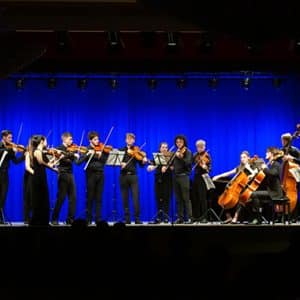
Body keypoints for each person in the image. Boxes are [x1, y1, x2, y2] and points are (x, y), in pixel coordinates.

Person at [212, 151, 255, 223]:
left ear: (248, 158)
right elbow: (229, 173)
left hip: (245, 189)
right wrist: (218, 176)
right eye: (241, 157)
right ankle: (229, 217)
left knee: (241, 198)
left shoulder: (251, 167)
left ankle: (236, 217)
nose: (242, 159)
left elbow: (254, 174)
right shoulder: (239, 167)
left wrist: (248, 168)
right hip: (236, 188)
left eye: (244, 157)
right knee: (225, 198)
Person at [77, 131, 109, 225]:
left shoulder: (102, 149)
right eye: (95, 139)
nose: (97, 141)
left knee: (99, 198)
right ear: (90, 140)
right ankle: (88, 219)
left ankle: (98, 219)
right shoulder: (86, 149)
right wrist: (88, 154)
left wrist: (101, 155)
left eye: (98, 139)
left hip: (100, 174)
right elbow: (78, 162)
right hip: (91, 175)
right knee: (90, 197)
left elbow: (104, 161)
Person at [25, 135, 56, 226]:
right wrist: (53, 169)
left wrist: (55, 159)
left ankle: (43, 221)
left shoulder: (40, 152)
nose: (47, 142)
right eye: (45, 140)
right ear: (42, 141)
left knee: (43, 200)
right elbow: (41, 162)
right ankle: (37, 222)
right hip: (37, 177)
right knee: (39, 200)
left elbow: (47, 163)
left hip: (41, 176)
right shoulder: (37, 151)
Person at [248, 147, 284, 224]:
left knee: (254, 194)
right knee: (255, 195)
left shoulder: (276, 164)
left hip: (275, 193)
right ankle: (258, 216)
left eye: (267, 153)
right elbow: (268, 176)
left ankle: (258, 218)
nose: (265, 154)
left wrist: (264, 168)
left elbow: (273, 173)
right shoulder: (271, 164)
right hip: (271, 191)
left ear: (271, 154)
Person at [51, 132, 80, 225]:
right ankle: (54, 219)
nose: (72, 141)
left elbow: (76, 162)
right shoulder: (59, 148)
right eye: (70, 139)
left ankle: (70, 220)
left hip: (70, 174)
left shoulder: (73, 149)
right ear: (64, 139)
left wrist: (79, 155)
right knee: (61, 198)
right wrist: (72, 155)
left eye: (72, 139)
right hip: (62, 174)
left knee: (73, 198)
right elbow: (64, 159)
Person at [119, 133, 147, 224]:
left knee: (136, 198)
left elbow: (141, 165)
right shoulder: (121, 150)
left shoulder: (136, 150)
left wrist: (143, 161)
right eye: (128, 138)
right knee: (125, 198)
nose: (130, 140)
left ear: (134, 140)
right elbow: (116, 161)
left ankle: (137, 218)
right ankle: (127, 219)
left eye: (132, 139)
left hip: (133, 176)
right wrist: (121, 163)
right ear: (125, 140)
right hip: (123, 176)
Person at [164, 135, 193, 224]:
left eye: (180, 142)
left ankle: (190, 218)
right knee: (178, 199)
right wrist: (169, 165)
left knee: (186, 198)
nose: (178, 144)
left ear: (183, 142)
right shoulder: (175, 152)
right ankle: (180, 218)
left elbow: (188, 163)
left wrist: (181, 157)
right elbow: (171, 163)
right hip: (175, 177)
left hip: (184, 176)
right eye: (177, 142)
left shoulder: (187, 151)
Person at [0, 130, 25, 224]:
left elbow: (15, 161)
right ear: (4, 137)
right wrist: (10, 149)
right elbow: (2, 152)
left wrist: (24, 155)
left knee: (3, 196)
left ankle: (1, 219)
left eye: (11, 137)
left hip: (5, 174)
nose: (11, 140)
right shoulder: (2, 146)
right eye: (9, 138)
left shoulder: (11, 148)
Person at [147, 142, 173, 223]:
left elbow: (173, 167)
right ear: (160, 148)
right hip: (158, 180)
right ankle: (158, 217)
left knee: (166, 199)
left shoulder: (170, 157)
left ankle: (165, 217)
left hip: (167, 180)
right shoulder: (156, 157)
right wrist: (150, 167)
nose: (164, 149)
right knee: (158, 199)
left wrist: (168, 167)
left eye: (166, 147)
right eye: (163, 147)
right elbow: (151, 165)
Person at [191, 139, 212, 223]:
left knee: (202, 198)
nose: (199, 149)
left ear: (204, 147)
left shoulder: (207, 156)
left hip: (203, 178)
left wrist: (205, 167)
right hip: (196, 178)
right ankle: (196, 217)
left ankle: (204, 217)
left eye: (201, 147)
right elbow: (191, 163)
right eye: (198, 147)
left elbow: (209, 168)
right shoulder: (195, 155)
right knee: (195, 198)